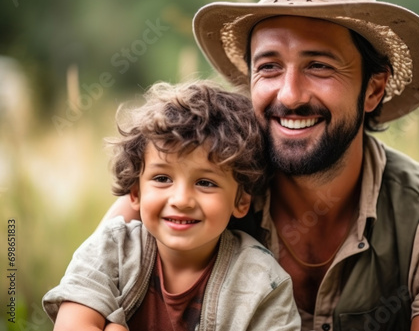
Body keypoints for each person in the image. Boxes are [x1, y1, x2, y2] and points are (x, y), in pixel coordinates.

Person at [103, 0, 419, 330]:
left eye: (319, 66)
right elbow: (86, 299)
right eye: (269, 67)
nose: (290, 95)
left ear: (374, 90)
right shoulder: (178, 188)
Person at [42, 81, 300, 330]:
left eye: (206, 182)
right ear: (135, 192)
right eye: (162, 178)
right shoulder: (112, 249)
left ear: (241, 201)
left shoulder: (262, 282)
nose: (181, 200)